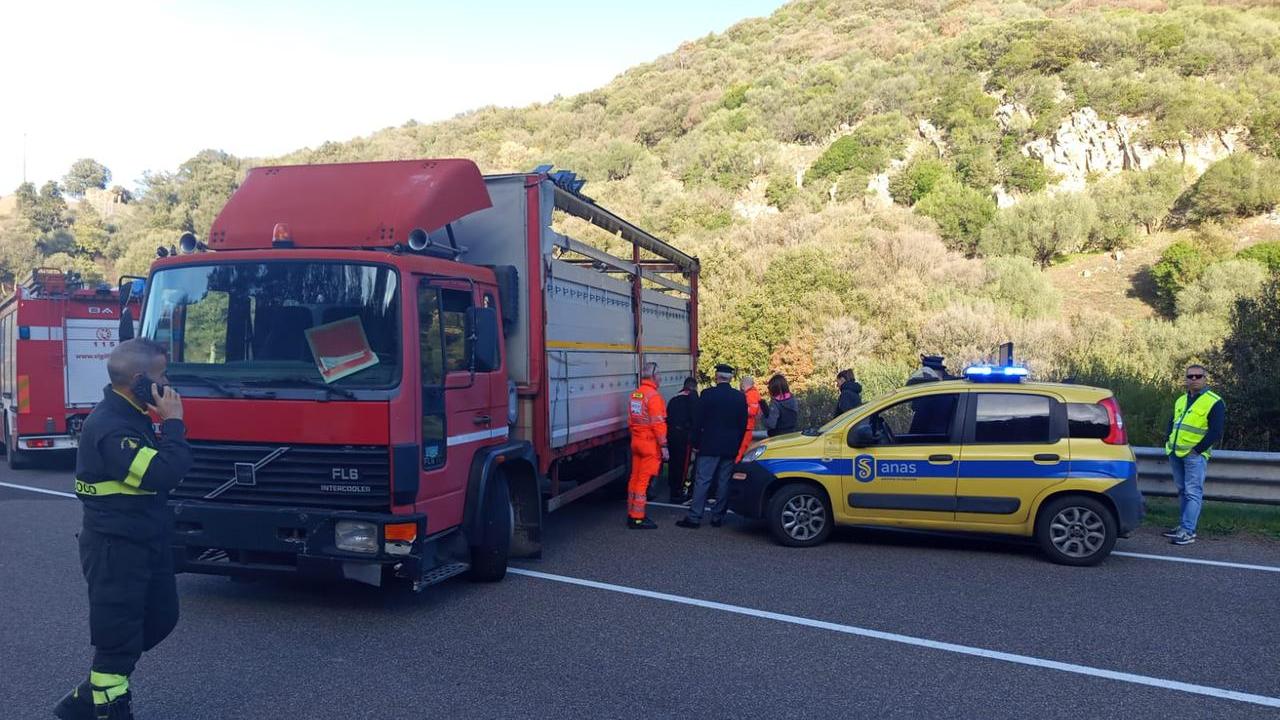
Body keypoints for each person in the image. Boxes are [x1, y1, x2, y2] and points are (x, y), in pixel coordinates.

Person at [56, 339, 192, 720]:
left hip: (146, 539)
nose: (167, 382)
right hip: (116, 547)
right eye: (161, 374)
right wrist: (175, 424)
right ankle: (108, 705)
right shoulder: (112, 426)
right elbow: (163, 473)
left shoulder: (134, 415)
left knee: (161, 618)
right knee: (117, 636)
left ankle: (88, 696)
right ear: (139, 380)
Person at [1163, 364, 1225, 546]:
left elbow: (1216, 431)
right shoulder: (1181, 400)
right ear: (1186, 379)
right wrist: (1168, 440)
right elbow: (1172, 422)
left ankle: (1188, 531)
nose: (1194, 379)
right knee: (1182, 491)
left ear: (1205, 379)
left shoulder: (1214, 401)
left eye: (1198, 376)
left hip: (1194, 455)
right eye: (1190, 376)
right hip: (1175, 452)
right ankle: (1183, 526)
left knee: (1193, 492)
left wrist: (1197, 450)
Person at [678, 364, 747, 529]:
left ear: (717, 377)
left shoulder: (707, 395)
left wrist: (695, 442)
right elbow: (743, 424)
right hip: (730, 446)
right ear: (731, 378)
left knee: (703, 480)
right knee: (724, 481)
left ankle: (694, 517)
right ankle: (718, 516)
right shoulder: (739, 397)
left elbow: (698, 421)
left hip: (709, 445)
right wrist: (737, 444)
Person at [625, 362, 668, 529]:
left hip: (636, 441)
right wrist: (663, 446)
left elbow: (631, 419)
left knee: (634, 478)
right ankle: (638, 517)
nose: (661, 378)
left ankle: (631, 512)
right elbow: (658, 424)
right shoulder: (654, 397)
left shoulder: (636, 395)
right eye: (660, 375)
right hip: (649, 444)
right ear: (654, 377)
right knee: (643, 481)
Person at [665, 377, 699, 503]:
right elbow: (695, 420)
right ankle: (679, 491)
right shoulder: (693, 400)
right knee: (683, 466)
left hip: (672, 435)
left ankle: (673, 489)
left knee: (673, 464)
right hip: (684, 437)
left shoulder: (674, 400)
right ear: (694, 387)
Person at [737, 375, 763, 462]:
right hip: (748, 426)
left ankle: (736, 465)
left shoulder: (750, 395)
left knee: (741, 450)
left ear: (744, 385)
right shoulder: (754, 394)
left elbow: (752, 411)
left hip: (747, 426)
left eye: (741, 385)